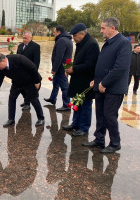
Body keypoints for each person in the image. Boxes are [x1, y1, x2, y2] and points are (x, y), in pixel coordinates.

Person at [82, 17, 132, 154]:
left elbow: (120, 68)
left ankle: (115, 143)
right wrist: (96, 80)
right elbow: (103, 65)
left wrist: (104, 82)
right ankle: (99, 139)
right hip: (101, 86)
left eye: (103, 28)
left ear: (113, 28)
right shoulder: (108, 43)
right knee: (100, 114)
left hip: (114, 88)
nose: (101, 31)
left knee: (110, 116)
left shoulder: (123, 43)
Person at [0, 53, 45, 127]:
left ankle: (41, 118)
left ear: (3, 61)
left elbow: (33, 68)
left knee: (34, 99)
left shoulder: (18, 59)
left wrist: (37, 82)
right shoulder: (0, 68)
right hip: (17, 82)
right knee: (12, 98)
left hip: (30, 81)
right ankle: (11, 119)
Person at [63, 23, 100, 137]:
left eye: (74, 35)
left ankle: (84, 128)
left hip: (86, 80)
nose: (73, 38)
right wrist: (69, 68)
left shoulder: (92, 44)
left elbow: (90, 65)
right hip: (78, 79)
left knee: (85, 104)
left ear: (82, 34)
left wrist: (73, 69)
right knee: (77, 102)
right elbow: (79, 60)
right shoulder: (81, 43)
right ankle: (75, 124)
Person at [44, 25, 73, 111]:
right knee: (55, 83)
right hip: (65, 66)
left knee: (64, 87)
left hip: (61, 68)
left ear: (59, 32)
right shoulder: (67, 39)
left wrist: (54, 69)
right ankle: (53, 99)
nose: (53, 34)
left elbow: (59, 56)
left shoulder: (61, 40)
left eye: (54, 32)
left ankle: (67, 105)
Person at [17, 31, 41, 111]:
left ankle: (27, 103)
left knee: (28, 88)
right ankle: (26, 100)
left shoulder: (36, 46)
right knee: (22, 88)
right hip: (21, 72)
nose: (24, 40)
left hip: (29, 71)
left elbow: (36, 61)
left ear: (30, 38)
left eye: (25, 38)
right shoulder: (20, 46)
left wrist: (34, 72)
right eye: (23, 38)